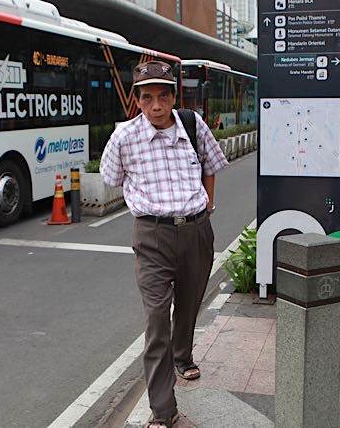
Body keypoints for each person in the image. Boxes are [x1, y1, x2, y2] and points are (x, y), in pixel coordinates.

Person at [100, 60, 227, 428]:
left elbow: (210, 164)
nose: (156, 106)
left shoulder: (191, 123)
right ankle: (163, 411)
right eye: (147, 98)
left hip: (196, 231)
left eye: (163, 96)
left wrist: (209, 203)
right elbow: (110, 178)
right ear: (137, 101)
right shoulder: (124, 136)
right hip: (152, 235)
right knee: (157, 320)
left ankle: (183, 357)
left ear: (173, 96)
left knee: (189, 305)